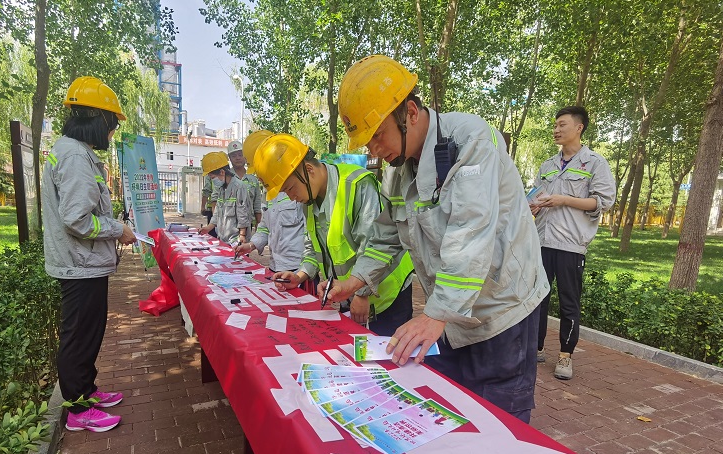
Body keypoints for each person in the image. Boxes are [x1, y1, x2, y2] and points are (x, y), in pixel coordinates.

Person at [325, 55, 549, 423]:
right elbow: (387, 234)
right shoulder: (398, 173)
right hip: (450, 314)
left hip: (502, 310)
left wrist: (435, 314)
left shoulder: (472, 142)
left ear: (410, 113)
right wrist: (358, 278)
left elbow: (471, 233)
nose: (375, 150)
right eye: (368, 141)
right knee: (450, 414)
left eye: (378, 135)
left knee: (497, 423)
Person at [42, 76, 136, 432]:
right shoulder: (75, 157)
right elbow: (77, 219)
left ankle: (87, 391)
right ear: (98, 120)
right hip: (79, 265)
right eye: (111, 126)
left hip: (84, 264)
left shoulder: (72, 151)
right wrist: (118, 231)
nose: (111, 135)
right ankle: (79, 412)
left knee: (88, 334)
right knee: (80, 337)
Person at [254, 133, 415, 336]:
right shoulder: (309, 201)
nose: (292, 197)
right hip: (347, 293)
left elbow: (373, 244)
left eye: (290, 189)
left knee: (388, 359)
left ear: (309, 170)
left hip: (387, 294)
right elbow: (313, 249)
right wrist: (298, 276)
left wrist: (361, 294)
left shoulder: (356, 184)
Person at [530, 106, 616, 380]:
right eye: (555, 125)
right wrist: (532, 207)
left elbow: (602, 202)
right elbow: (536, 195)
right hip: (543, 241)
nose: (556, 129)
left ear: (578, 128)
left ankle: (566, 356)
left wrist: (564, 199)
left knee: (569, 302)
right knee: (538, 299)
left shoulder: (594, 163)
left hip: (571, 245)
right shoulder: (547, 165)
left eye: (562, 124)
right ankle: (537, 347)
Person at [235, 130, 306, 273]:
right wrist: (251, 245)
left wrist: (305, 271)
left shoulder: (300, 189)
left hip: (299, 270)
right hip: (275, 266)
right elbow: (265, 227)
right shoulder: (268, 191)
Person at [198, 151, 251, 244]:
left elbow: (243, 214)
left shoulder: (239, 187)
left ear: (222, 172)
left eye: (212, 177)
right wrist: (208, 228)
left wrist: (242, 235)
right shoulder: (222, 189)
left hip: (236, 241)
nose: (212, 180)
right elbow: (218, 211)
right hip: (223, 239)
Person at [228, 140, 262, 226]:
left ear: (245, 156)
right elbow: (217, 202)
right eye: (234, 155)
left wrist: (259, 223)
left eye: (240, 155)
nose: (237, 158)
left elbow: (257, 204)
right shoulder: (226, 178)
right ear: (230, 158)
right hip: (228, 225)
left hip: (248, 223)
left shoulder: (253, 179)